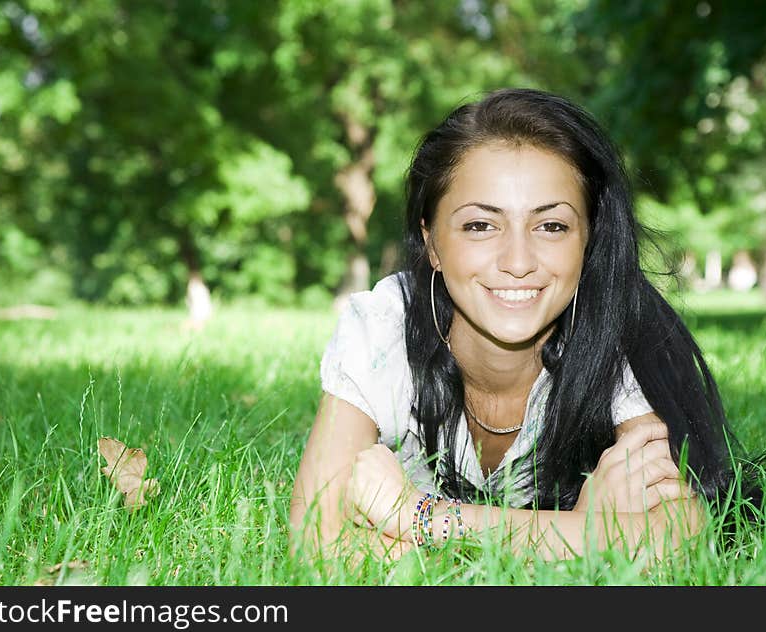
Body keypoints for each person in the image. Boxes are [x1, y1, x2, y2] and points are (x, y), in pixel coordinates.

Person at [289, 88, 735, 564]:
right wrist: (584, 536)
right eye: (481, 225)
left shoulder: (618, 331)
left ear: (588, 240)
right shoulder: (383, 328)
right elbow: (317, 541)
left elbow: (680, 541)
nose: (518, 262)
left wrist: (419, 518)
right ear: (432, 243)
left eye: (552, 227)